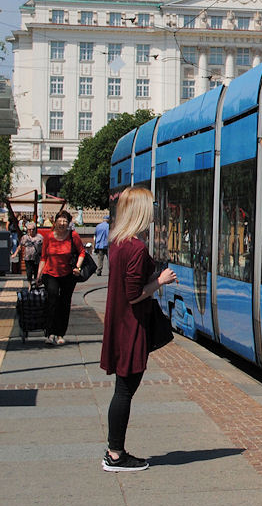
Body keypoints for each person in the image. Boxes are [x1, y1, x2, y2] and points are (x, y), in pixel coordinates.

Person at [99, 187, 178, 472]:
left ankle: (115, 450)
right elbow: (134, 294)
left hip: (120, 323)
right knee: (124, 391)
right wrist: (161, 280)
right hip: (130, 326)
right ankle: (115, 453)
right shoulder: (135, 247)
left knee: (122, 389)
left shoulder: (118, 243)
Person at [37, 209, 85, 346]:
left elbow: (82, 252)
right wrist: (38, 275)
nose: (63, 223)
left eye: (65, 221)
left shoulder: (73, 236)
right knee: (52, 300)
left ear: (68, 223)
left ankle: (60, 333)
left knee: (64, 303)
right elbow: (43, 257)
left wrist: (78, 267)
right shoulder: (49, 237)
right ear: (56, 221)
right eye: (60, 220)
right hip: (50, 273)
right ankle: (50, 333)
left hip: (68, 274)